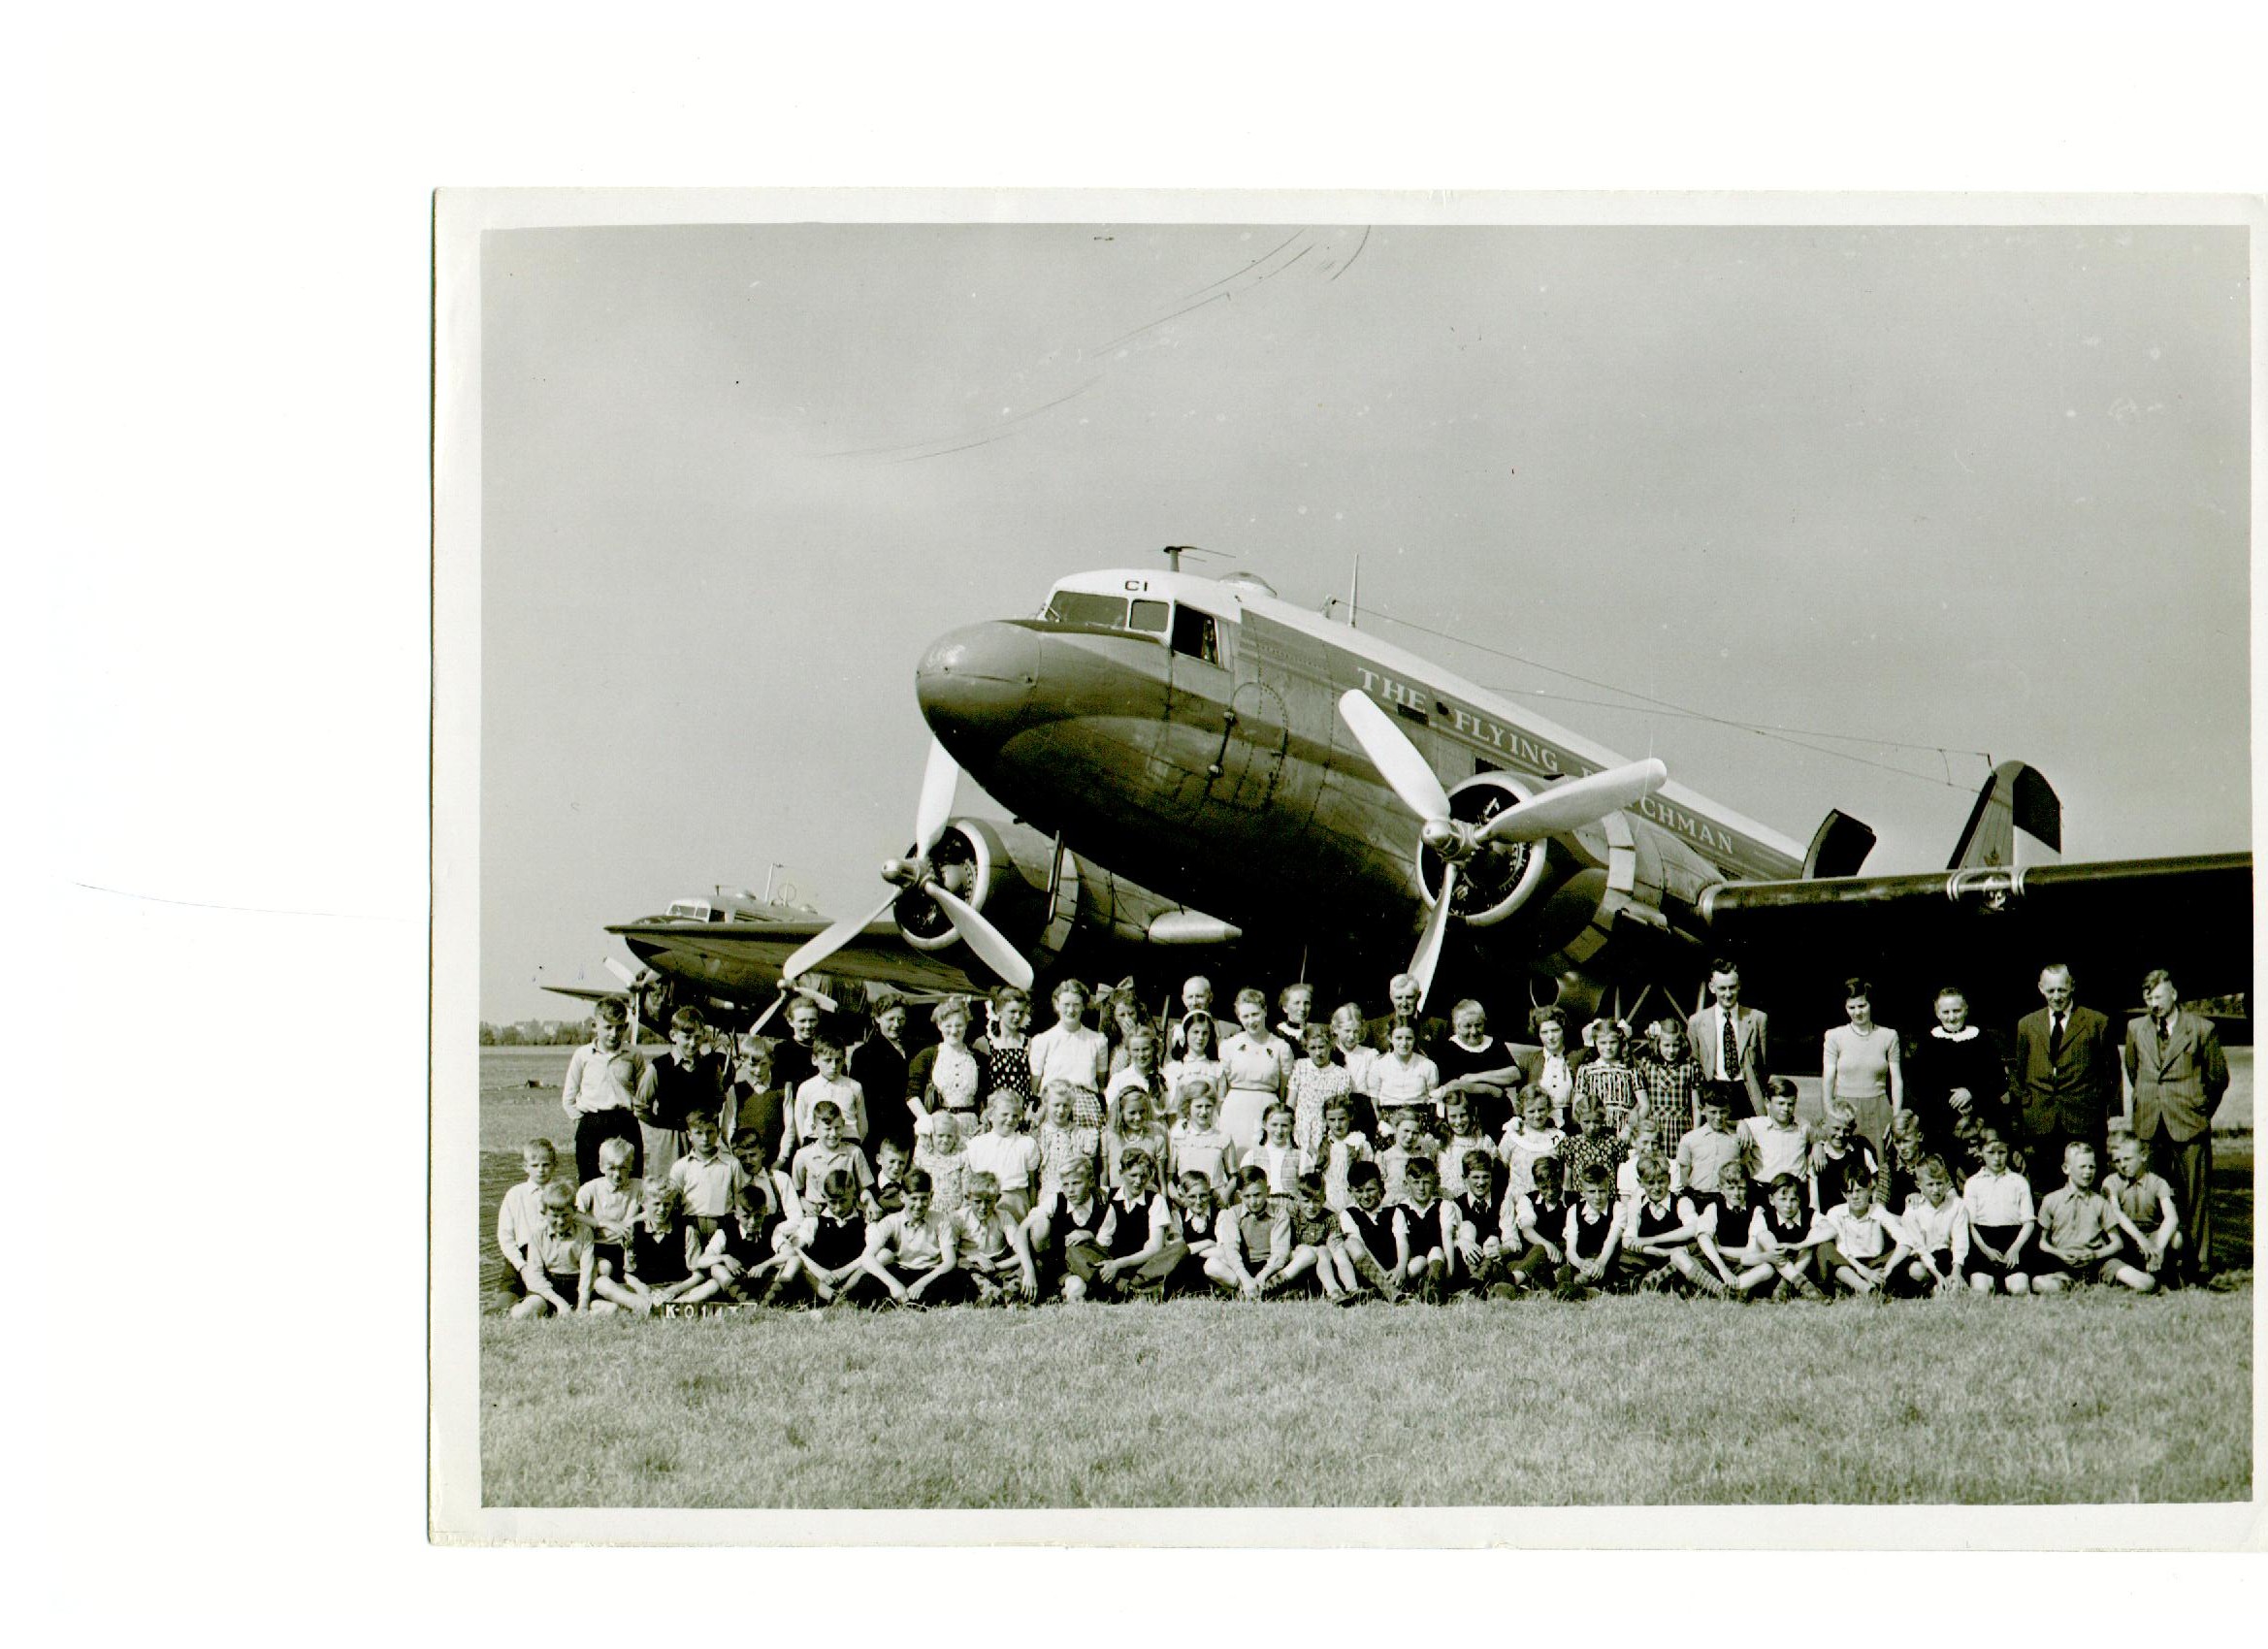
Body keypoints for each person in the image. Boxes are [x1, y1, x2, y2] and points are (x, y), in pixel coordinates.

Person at [2122, 967, 2229, 1284]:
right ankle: (2160, 1264)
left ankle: (2198, 1268)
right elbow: (2134, 1070)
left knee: (2194, 1197)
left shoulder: (2201, 1029)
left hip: (2188, 1123)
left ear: (2174, 995)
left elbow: (2217, 1079)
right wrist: (2151, 1101)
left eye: (2158, 996)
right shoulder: (2135, 1029)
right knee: (2151, 1197)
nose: (2154, 1003)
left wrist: (2197, 1110)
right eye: (2148, 997)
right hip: (2149, 1125)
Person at [2011, 963, 2120, 1187]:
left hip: (2083, 1118)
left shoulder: (2096, 1022)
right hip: (2042, 1118)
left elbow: (2111, 1072)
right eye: (2051, 991)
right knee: (2046, 1183)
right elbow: (2019, 1072)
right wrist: (2028, 1103)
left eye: (2062, 990)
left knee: (2088, 1181)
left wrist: (2094, 1102)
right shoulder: (2027, 1024)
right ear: (2041, 989)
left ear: (2072, 987)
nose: (2057, 996)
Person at [2031, 1142, 2158, 1293]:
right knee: (2038, 1283)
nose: (2088, 1172)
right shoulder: (2051, 1200)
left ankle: (2095, 1284)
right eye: (2082, 1167)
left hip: (2098, 1263)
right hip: (2064, 1264)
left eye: (2091, 1167)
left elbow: (2117, 1243)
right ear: (2066, 1169)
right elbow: (2042, 1242)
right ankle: (2077, 1285)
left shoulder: (2100, 1202)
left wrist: (2094, 1255)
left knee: (2146, 1283)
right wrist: (2060, 1253)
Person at [1904, 986, 2007, 1155]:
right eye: (1945, 1012)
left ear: (1966, 1009)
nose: (1951, 1017)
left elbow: (1998, 1080)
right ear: (1937, 1012)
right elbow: (1918, 1084)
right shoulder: (1928, 1043)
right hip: (1939, 1119)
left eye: (1956, 1011)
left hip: (1981, 1116)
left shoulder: (1982, 1040)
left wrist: (1971, 1092)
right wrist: (1948, 1099)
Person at [634, 1006, 726, 1180]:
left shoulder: (712, 1068)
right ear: (673, 1035)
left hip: (701, 1139)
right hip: (669, 1140)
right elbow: (640, 1107)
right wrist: (662, 1124)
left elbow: (718, 1100)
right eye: (687, 1037)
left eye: (697, 1037)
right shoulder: (658, 1068)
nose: (693, 1043)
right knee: (668, 1186)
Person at [561, 998, 646, 1182]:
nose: (614, 1034)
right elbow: (568, 1098)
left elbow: (642, 1094)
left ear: (625, 1026)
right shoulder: (582, 1055)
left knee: (631, 1179)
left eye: (619, 1028)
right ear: (594, 1026)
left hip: (625, 1123)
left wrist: (636, 1113)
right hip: (592, 1124)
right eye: (607, 1027)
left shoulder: (633, 1055)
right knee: (590, 1180)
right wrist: (583, 1122)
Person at [1615, 1152, 1724, 1296]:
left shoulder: (1681, 1202)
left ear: (1670, 1179)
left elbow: (1693, 1229)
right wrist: (1663, 1252)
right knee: (1624, 1256)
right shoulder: (1636, 1204)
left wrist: (1653, 1240)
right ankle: (1668, 1280)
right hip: (1650, 1258)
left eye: (1661, 1181)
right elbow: (1628, 1240)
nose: (1657, 1187)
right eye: (1650, 1183)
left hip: (1682, 1254)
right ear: (1640, 1182)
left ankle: (1661, 1281)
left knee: (1695, 1251)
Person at [851, 1169, 958, 1308]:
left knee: (958, 1279)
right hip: (901, 1272)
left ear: (931, 1196)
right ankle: (910, 1300)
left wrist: (921, 1284)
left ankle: (910, 1301)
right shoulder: (890, 1222)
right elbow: (867, 1257)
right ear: (902, 1197)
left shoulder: (941, 1220)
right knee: (867, 1282)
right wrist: (893, 1284)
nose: (919, 1205)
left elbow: (950, 1261)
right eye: (914, 1199)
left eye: (924, 1198)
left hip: (930, 1274)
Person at [1821, 978, 1901, 1154]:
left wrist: (1897, 1118)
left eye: (1862, 1006)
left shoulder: (1889, 1036)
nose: (1857, 1012)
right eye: (1852, 1007)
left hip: (1878, 1109)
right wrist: (1829, 1115)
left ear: (1871, 1004)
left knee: (1881, 1162)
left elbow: (1896, 1080)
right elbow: (1828, 1079)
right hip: (1845, 1109)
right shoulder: (1834, 1036)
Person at [1430, 999, 1525, 1142]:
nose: (1474, 1031)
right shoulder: (1448, 1050)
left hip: (1499, 1116)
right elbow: (1454, 1085)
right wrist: (1492, 1090)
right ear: (1456, 1026)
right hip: (1464, 1120)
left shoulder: (1495, 1044)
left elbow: (1514, 1074)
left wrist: (1475, 1077)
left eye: (1478, 1025)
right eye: (1467, 1026)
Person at [1088, 1148, 1175, 1301]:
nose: (1138, 1181)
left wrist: (1118, 1264)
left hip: (1143, 1265)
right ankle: (1129, 1289)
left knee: (1180, 1249)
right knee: (1076, 1248)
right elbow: (1102, 1242)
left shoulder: (1156, 1200)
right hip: (1110, 1262)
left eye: (1144, 1176)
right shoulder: (1107, 1196)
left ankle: (1129, 1288)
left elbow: (1155, 1248)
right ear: (1121, 1173)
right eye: (1133, 1175)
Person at [2102, 1126, 2183, 1287]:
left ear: (2143, 1156)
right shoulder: (2111, 1182)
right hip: (2127, 1236)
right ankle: (2133, 1273)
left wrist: (2158, 1247)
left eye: (2128, 1159)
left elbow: (2171, 1217)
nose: (2123, 1165)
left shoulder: (2157, 1182)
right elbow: (2116, 1212)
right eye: (2117, 1161)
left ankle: (2169, 1270)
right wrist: (2139, 1238)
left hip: (2151, 1235)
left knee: (2176, 1238)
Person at [1960, 1126, 2035, 1295]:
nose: (1996, 1158)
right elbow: (1970, 1224)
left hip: (2014, 1240)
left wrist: (2015, 1248)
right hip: (1983, 1242)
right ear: (1980, 1152)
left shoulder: (2018, 1181)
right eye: (1990, 1152)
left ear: (2008, 1150)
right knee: (1981, 1289)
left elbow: (2029, 1222)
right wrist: (1985, 1250)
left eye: (2001, 1152)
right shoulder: (1973, 1183)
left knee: (2020, 1288)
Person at [1686, 958, 1767, 1116]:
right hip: (1714, 1091)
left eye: (1732, 987)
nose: (1728, 994)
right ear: (1712, 987)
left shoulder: (1757, 1019)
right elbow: (1695, 1061)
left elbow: (1764, 1065)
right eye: (1722, 988)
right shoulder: (1697, 1021)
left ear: (1739, 986)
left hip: (1746, 1091)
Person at [775, 1169, 869, 1307]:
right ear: (824, 1197)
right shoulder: (814, 1222)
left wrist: (842, 1272)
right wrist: (818, 1270)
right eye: (833, 1202)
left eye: (843, 1201)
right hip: (818, 1282)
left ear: (853, 1194)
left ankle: (842, 1296)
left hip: (850, 1280)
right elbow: (795, 1249)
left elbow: (872, 1253)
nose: (838, 1208)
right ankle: (835, 1299)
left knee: (870, 1268)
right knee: (800, 1270)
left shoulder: (865, 1222)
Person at [1813, 1169, 1913, 1297]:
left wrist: (1887, 1269)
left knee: (1905, 1254)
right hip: (1848, 1266)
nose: (1854, 1197)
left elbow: (1905, 1241)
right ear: (1844, 1194)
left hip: (1875, 1264)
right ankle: (1866, 1289)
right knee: (1825, 1248)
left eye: (1859, 1190)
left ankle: (1873, 1285)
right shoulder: (1835, 1212)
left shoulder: (1878, 1210)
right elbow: (1842, 1249)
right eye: (1849, 1192)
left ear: (1870, 1189)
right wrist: (1866, 1273)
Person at [1217, 986, 1293, 1151]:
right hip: (1235, 1111)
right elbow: (1222, 1087)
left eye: (1255, 1014)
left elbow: (1284, 1089)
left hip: (1267, 1110)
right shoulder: (1229, 1046)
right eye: (1245, 1016)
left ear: (1265, 1011)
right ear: (1238, 1017)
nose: (1251, 1021)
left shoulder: (1280, 1047)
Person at [1026, 1155, 1109, 1302]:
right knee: (1040, 1224)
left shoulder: (1104, 1200)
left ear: (1091, 1182)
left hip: (1089, 1265)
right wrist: (1029, 1271)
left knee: (1080, 1284)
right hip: (1060, 1268)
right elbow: (1021, 1231)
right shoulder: (1056, 1200)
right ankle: (1059, 1289)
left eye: (1076, 1183)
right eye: (1065, 1184)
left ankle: (1070, 1293)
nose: (1070, 1190)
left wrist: (1090, 1235)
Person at [1029, 979, 1111, 1128]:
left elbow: (1101, 1082)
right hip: (1054, 1105)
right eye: (1066, 1005)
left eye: (1076, 1005)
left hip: (1085, 1107)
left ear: (1084, 1006)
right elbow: (1035, 1085)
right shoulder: (1043, 1040)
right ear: (1056, 1005)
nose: (1071, 1010)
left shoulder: (1097, 1041)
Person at [952, 1171, 1039, 1305]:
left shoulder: (1004, 1216)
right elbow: (951, 1256)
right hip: (971, 1265)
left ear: (997, 1199)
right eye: (977, 1202)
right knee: (963, 1274)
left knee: (1029, 1263)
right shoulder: (959, 1219)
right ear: (968, 1198)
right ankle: (995, 1294)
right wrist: (975, 1258)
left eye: (988, 1201)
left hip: (1000, 1265)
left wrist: (997, 1266)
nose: (983, 1207)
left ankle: (1005, 1293)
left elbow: (1020, 1250)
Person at [1893, 1155, 1970, 1297]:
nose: (1936, 1190)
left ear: (1947, 1182)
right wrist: (1938, 1276)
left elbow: (1961, 1240)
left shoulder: (1957, 1205)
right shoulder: (1912, 1211)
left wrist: (1956, 1271)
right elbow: (1920, 1248)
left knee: (1954, 1290)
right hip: (1924, 1260)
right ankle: (1930, 1289)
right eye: (1930, 1184)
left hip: (1949, 1257)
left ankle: (1951, 1285)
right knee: (1916, 1270)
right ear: (1918, 1185)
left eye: (1939, 1183)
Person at [510, 1182, 591, 1317]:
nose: (560, 1221)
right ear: (544, 1213)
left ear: (575, 1211)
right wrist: (559, 1303)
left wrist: (583, 1303)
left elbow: (587, 1270)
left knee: (609, 1310)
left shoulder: (585, 1232)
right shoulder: (537, 1234)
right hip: (548, 1288)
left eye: (565, 1215)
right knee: (521, 1314)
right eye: (554, 1216)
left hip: (575, 1285)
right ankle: (551, 1307)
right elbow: (535, 1276)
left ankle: (577, 1307)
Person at [850, 992, 918, 1153]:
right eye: (890, 1019)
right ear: (877, 1018)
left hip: (910, 1127)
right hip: (880, 1132)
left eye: (901, 1019)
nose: (896, 1024)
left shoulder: (914, 1049)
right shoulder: (864, 1053)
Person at [573, 1135, 643, 1291]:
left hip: (629, 1246)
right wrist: (604, 1224)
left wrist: (633, 1219)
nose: (617, 1174)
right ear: (601, 1167)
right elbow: (574, 1214)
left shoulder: (638, 1186)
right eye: (612, 1168)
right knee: (605, 1268)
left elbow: (657, 1205)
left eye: (623, 1167)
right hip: (599, 1245)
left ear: (631, 1166)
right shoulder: (591, 1189)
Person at [961, 1088, 1043, 1222]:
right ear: (991, 1115)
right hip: (985, 1201)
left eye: (1015, 1116)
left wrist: (1032, 1212)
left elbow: (1033, 1184)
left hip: (1016, 1201)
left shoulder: (1027, 1143)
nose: (1010, 1120)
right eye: (1004, 1114)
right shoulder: (977, 1144)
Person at [906, 997, 985, 1136]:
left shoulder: (978, 1058)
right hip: (939, 1128)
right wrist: (924, 1118)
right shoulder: (928, 1056)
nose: (954, 1031)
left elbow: (987, 1095)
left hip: (970, 1129)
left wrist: (985, 1122)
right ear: (939, 1025)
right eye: (948, 1026)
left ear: (966, 1024)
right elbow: (912, 1094)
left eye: (959, 1025)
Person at [786, 1100, 876, 1218]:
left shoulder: (854, 1152)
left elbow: (864, 1188)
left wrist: (871, 1203)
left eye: (837, 1127)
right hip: (817, 1215)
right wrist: (803, 1202)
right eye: (827, 1129)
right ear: (814, 1128)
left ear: (843, 1124)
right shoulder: (803, 1156)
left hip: (847, 1212)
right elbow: (796, 1191)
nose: (833, 1134)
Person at [666, 1111, 747, 1243]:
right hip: (691, 1225)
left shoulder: (731, 1164)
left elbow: (739, 1198)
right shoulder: (681, 1166)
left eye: (710, 1132)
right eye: (699, 1133)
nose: (705, 1138)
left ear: (718, 1132)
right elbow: (673, 1202)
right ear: (689, 1135)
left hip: (723, 1224)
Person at [1748, 1173, 1831, 1300]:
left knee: (1814, 1234)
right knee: (1765, 1236)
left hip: (1805, 1270)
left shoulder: (1808, 1214)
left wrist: (1798, 1246)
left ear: (1799, 1199)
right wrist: (1767, 1256)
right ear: (1771, 1199)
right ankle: (1798, 1285)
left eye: (1793, 1200)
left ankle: (1786, 1284)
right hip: (1774, 1274)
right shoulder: (1764, 1218)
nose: (1788, 1205)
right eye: (1783, 1199)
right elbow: (1747, 1258)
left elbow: (1833, 1229)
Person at [497, 1138, 566, 1291]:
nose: (541, 1170)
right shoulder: (515, 1195)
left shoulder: (562, 1193)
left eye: (546, 1165)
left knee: (540, 1300)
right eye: (535, 1165)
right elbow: (505, 1237)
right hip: (522, 1256)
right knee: (504, 1304)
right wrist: (522, 1267)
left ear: (555, 1165)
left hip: (552, 1255)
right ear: (525, 1167)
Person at [1496, 1152, 1570, 1294]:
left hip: (1560, 1255)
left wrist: (1554, 1247)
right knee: (1538, 1250)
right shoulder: (1528, 1200)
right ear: (1536, 1185)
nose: (1550, 1193)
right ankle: (1530, 1284)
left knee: (1538, 1261)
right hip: (1533, 1255)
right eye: (1544, 1188)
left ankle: (1513, 1281)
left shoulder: (1574, 1201)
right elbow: (1527, 1230)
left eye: (1554, 1187)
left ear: (1561, 1181)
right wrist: (1547, 1245)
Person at [1215, 1166, 1290, 1300]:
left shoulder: (1280, 1213)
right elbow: (1232, 1250)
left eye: (1257, 1195)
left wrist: (1263, 1275)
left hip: (1272, 1269)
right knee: (1211, 1265)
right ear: (1239, 1195)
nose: (1253, 1201)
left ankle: (1264, 1287)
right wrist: (1245, 1279)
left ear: (1268, 1191)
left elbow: (1280, 1252)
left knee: (1306, 1255)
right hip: (1245, 1267)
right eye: (1247, 1196)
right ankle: (1247, 1289)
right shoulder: (1233, 1213)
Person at [623, 1180, 699, 1309]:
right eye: (656, 1204)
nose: (662, 1209)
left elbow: (698, 1274)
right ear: (644, 1204)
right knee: (605, 1285)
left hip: (678, 1288)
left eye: (667, 1204)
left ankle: (675, 1305)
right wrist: (642, 1289)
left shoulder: (686, 1230)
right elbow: (628, 1272)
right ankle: (645, 1304)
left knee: (711, 1286)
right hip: (645, 1289)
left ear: (673, 1204)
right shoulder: (634, 1230)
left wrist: (676, 1289)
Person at [1556, 1162, 1623, 1300]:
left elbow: (1612, 1239)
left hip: (1607, 1263)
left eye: (1602, 1191)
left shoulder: (1617, 1208)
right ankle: (1573, 1286)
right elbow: (1570, 1250)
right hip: (1582, 1264)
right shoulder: (1574, 1210)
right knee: (1569, 1270)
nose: (1597, 1197)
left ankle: (1578, 1289)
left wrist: (1600, 1263)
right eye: (1592, 1192)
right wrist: (1581, 1263)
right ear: (1583, 1191)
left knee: (1606, 1278)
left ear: (1609, 1188)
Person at [1287, 1021, 1352, 1162]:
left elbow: (1339, 1109)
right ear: (1306, 1048)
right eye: (1313, 1048)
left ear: (1330, 1045)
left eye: (1322, 1047)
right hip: (1300, 1127)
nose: (1318, 1052)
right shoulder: (1300, 1066)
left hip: (1326, 1129)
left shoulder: (1341, 1074)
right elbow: (1290, 1104)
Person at [791, 1037, 868, 1153]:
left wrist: (853, 1145)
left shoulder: (854, 1087)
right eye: (827, 1060)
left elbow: (863, 1123)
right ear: (815, 1060)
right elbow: (800, 1121)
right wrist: (807, 1148)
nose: (833, 1066)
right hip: (814, 1142)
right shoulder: (806, 1087)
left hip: (847, 1142)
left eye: (838, 1060)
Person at [1166, 1079, 1238, 1203]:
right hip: (1188, 1201)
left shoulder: (1222, 1138)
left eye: (1208, 1106)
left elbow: (1234, 1176)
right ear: (1188, 1107)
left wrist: (1225, 1195)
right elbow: (1169, 1180)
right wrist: (1178, 1198)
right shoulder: (1178, 1137)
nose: (1204, 1112)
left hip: (1215, 1200)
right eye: (1199, 1106)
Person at [971, 986, 1038, 1119]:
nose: (1017, 1017)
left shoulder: (1029, 1043)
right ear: (999, 1011)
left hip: (1021, 1114)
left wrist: (1032, 1108)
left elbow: (1034, 1083)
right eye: (1012, 1012)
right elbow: (977, 1086)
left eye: (1021, 1012)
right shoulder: (984, 1044)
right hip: (994, 1114)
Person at [723, 1036, 789, 1170]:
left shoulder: (783, 1089)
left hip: (775, 1161)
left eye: (763, 1064)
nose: (758, 1070)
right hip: (744, 1161)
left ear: (771, 1060)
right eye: (753, 1065)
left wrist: (782, 1159)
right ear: (743, 1061)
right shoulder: (736, 1090)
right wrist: (737, 1157)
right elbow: (728, 1128)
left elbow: (790, 1127)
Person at [1633, 1016, 1704, 1136]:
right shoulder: (1647, 1065)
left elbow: (1696, 1107)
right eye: (1666, 1045)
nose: (1671, 1050)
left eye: (1675, 1045)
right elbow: (1641, 1101)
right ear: (1657, 1044)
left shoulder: (1690, 1067)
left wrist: (1695, 1135)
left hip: (1682, 1128)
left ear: (1682, 1044)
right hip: (1654, 1128)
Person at [1737, 1076, 1811, 1193]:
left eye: (1790, 1104)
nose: (1786, 1109)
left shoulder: (1803, 1127)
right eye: (1780, 1103)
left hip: (1795, 1190)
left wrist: (1818, 1147)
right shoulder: (1755, 1125)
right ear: (1767, 1103)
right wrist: (1740, 1124)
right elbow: (1726, 1123)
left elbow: (1821, 1136)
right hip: (1763, 1189)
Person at [1572, 1018, 1644, 1138]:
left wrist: (1629, 1129)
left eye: (1613, 1042)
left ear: (1620, 1042)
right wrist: (1589, 1128)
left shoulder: (1631, 1069)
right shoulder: (1586, 1070)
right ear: (1595, 1042)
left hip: (1624, 1131)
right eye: (1603, 1043)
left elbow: (1644, 1105)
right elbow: (1577, 1108)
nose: (1608, 1047)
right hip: (1595, 1130)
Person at [1515, 1006, 1586, 1125]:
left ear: (1563, 1030)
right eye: (1544, 1032)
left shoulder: (1577, 1057)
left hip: (1571, 1123)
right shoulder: (1528, 1060)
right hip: (1538, 1121)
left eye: (1555, 1030)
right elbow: (1521, 1097)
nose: (1550, 1037)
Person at [1370, 1021, 1441, 1138]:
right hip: (1389, 1121)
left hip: (1419, 1120)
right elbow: (1375, 1099)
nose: (1404, 1043)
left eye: (1409, 1038)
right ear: (1390, 1038)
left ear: (1415, 1039)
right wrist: (1382, 1122)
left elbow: (1433, 1099)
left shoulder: (1427, 1065)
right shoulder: (1379, 1065)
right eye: (1398, 1038)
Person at [1395, 1156, 1449, 1302]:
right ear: (1407, 1184)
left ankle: (1431, 1287)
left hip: (1438, 1260)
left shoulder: (1442, 1205)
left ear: (1434, 1183)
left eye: (1426, 1182)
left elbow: (1448, 1236)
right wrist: (1401, 1267)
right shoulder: (1401, 1209)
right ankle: (1415, 1288)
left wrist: (1451, 1270)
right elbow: (1402, 1241)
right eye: (1416, 1182)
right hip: (1415, 1260)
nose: (1421, 1188)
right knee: (1419, 1260)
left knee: (1435, 1250)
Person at [1034, 1082, 1101, 1201]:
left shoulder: (1081, 1135)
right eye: (1056, 1105)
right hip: (1047, 1195)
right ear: (1045, 1103)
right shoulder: (1039, 1135)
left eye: (1065, 1105)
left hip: (1074, 1196)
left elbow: (1090, 1172)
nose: (1061, 1110)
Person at [1677, 1091, 1743, 1212]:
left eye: (1723, 1111)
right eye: (1713, 1112)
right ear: (1702, 1110)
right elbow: (1684, 1175)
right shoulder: (1690, 1139)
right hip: (1697, 1197)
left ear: (1729, 1110)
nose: (1718, 1117)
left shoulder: (1737, 1139)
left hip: (1725, 1200)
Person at [1559, 1087, 1626, 1206]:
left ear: (1603, 1120)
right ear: (1579, 1119)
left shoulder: (1614, 1143)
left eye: (1596, 1122)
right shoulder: (1572, 1143)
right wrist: (1566, 1199)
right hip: (1580, 1198)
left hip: (1608, 1199)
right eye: (1586, 1122)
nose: (1591, 1127)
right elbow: (1568, 1176)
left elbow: (1620, 1175)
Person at [1161, 1011, 1227, 1130]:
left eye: (1205, 1033)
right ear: (1185, 1034)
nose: (1200, 1038)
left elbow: (1221, 1106)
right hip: (1182, 1127)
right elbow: (1171, 1108)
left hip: (1211, 1127)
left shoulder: (1216, 1068)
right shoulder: (1174, 1068)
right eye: (1195, 1032)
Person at [1364, 972, 1449, 1063]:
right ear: (1391, 997)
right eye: (1399, 998)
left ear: (1419, 996)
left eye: (1409, 997)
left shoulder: (1438, 1027)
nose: (1404, 1004)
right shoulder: (1374, 1028)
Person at [1499, 1086, 1564, 1202]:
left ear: (1548, 1108)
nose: (1537, 1115)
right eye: (1531, 1111)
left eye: (1541, 1109)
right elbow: (1501, 1165)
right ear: (1522, 1111)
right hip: (1519, 1197)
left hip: (1548, 1197)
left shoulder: (1556, 1137)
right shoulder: (1513, 1135)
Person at [1103, 1087, 1172, 1195]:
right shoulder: (1109, 1136)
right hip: (1117, 1195)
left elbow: (1161, 1179)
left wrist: (1164, 1201)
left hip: (1147, 1194)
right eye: (1132, 1113)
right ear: (1121, 1111)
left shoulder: (1156, 1136)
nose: (1138, 1117)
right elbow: (1104, 1174)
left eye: (1142, 1111)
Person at [1309, 1094, 1372, 1212]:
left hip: (1353, 1199)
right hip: (1328, 1200)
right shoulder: (1323, 1144)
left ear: (1350, 1117)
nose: (1337, 1125)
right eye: (1332, 1120)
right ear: (1326, 1120)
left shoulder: (1359, 1142)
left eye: (1342, 1119)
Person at [910, 1108, 969, 1216]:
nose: (945, 1140)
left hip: (956, 1212)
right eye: (940, 1135)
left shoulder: (961, 1157)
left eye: (949, 1136)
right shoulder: (924, 1157)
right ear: (932, 1136)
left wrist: (962, 1212)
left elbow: (967, 1188)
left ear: (955, 1137)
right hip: (929, 1211)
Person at [769, 993, 826, 1098]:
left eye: (812, 1020)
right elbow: (778, 1088)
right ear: (790, 1022)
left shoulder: (826, 1047)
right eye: (802, 1021)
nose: (808, 1026)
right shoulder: (782, 1050)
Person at [1164, 975, 1232, 1061]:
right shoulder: (1172, 1033)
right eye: (1190, 997)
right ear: (1183, 999)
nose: (1194, 1002)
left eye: (1199, 996)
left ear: (1210, 997)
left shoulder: (1230, 1031)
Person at [1276, 983, 1317, 1047]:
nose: (1302, 1008)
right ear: (1285, 1008)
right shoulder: (1278, 1033)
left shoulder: (1316, 1030)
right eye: (1297, 1003)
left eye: (1307, 1003)